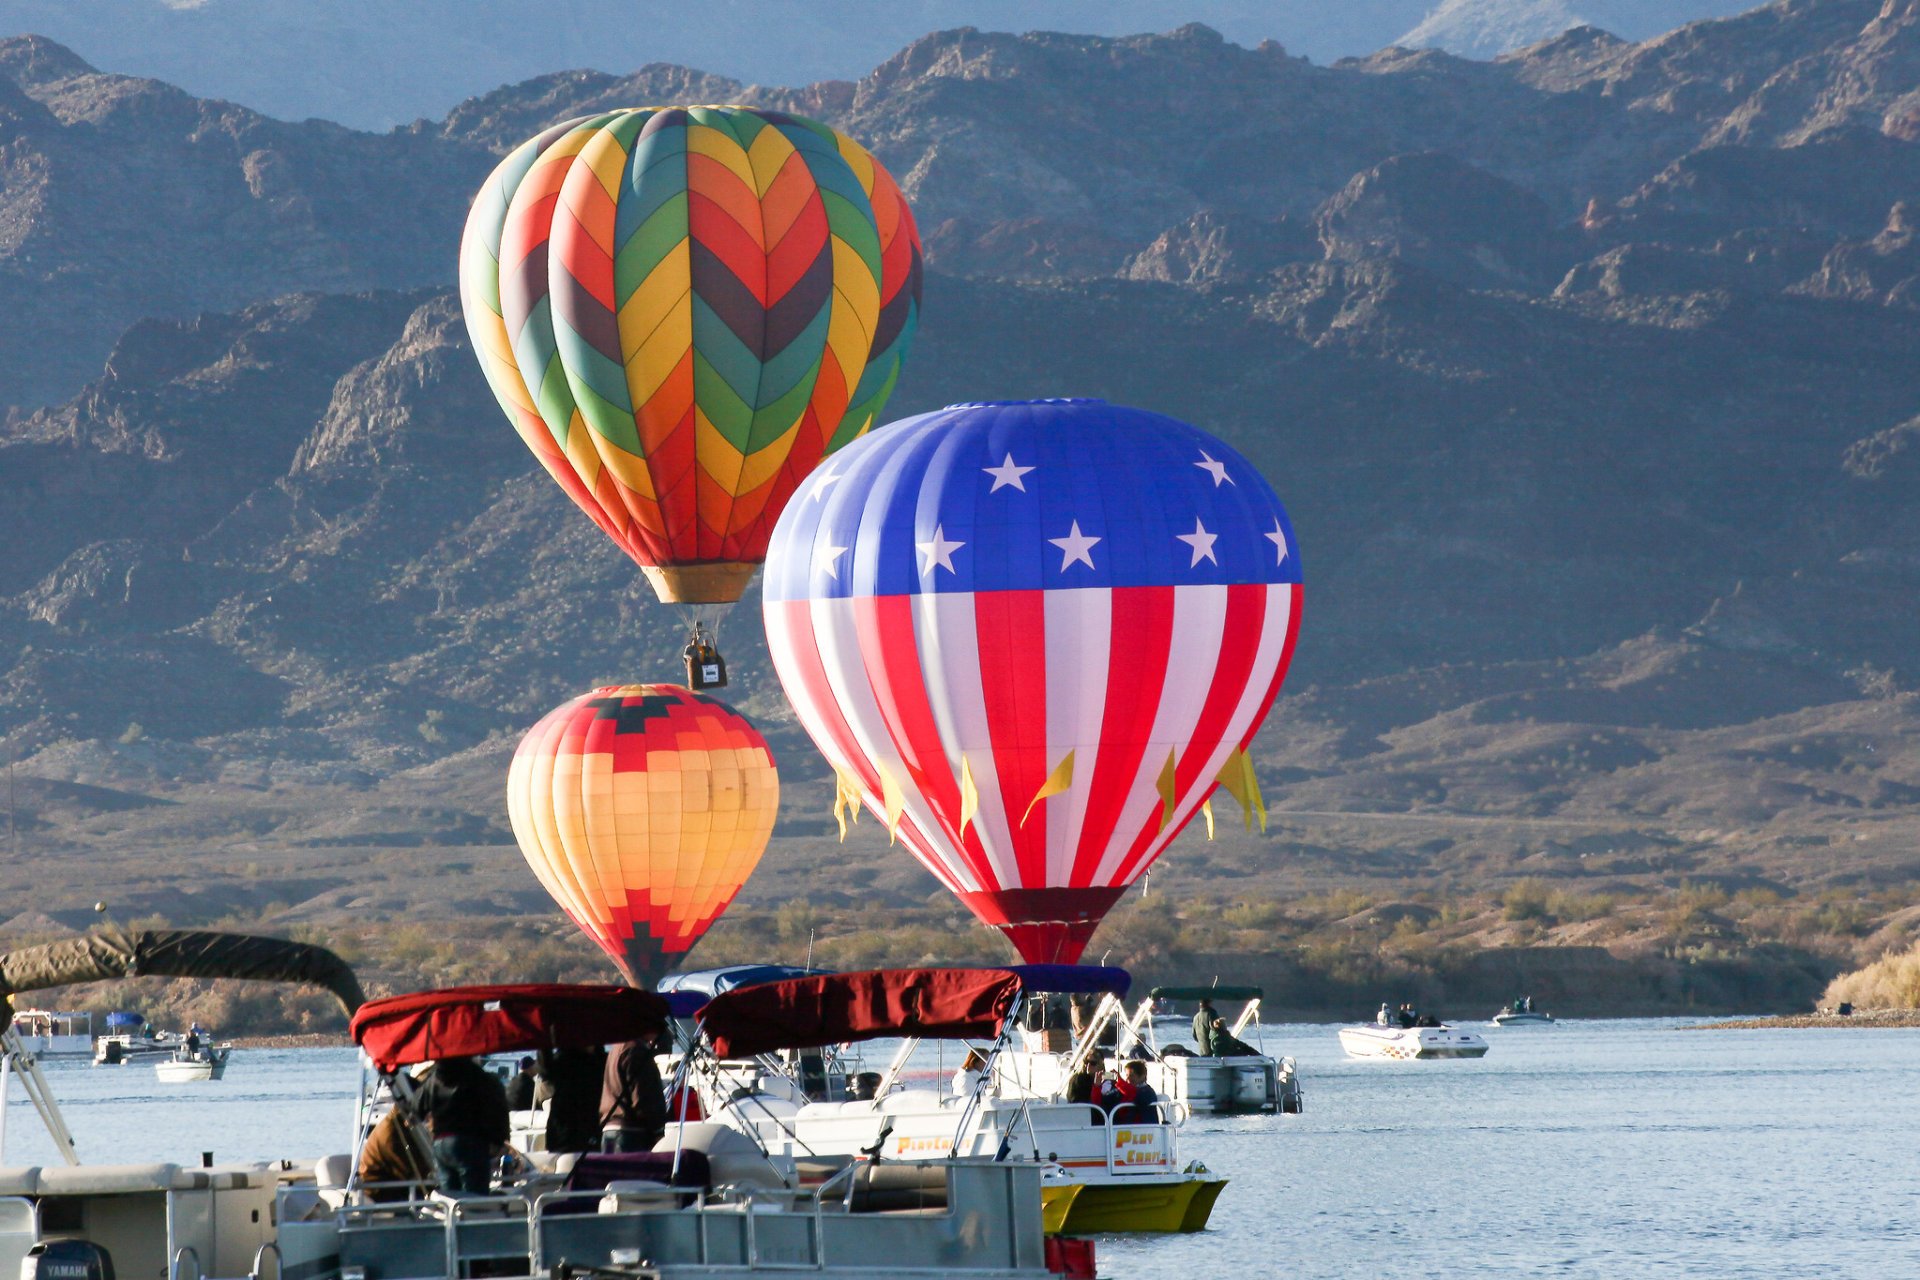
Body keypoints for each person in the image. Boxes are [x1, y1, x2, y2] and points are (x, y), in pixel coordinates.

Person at [415, 1056, 510, 1195]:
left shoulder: (434, 1077)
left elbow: (416, 1107)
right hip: (469, 1140)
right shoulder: (480, 1077)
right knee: (475, 1197)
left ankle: (454, 1216)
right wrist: (499, 1140)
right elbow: (497, 1109)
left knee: (450, 1198)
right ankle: (473, 1215)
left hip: (441, 1142)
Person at [601, 1033, 668, 1153]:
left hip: (610, 1130)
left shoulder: (616, 1048)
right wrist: (658, 1131)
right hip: (631, 1133)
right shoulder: (636, 1050)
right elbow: (644, 1097)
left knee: (612, 1170)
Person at [539, 1045, 606, 1154]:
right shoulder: (601, 1062)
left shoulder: (562, 1060)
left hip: (565, 1129)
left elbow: (546, 1071)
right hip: (586, 1127)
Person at [357, 1103, 431, 1202]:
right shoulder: (389, 1134)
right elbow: (405, 1169)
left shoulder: (400, 1128)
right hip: (379, 1189)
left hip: (394, 1183)